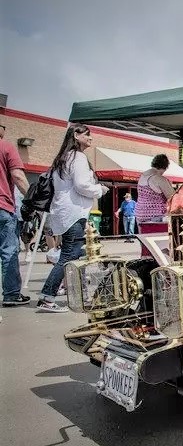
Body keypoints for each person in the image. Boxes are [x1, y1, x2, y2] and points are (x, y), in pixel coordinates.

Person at [37, 124, 108, 312]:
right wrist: (99, 190)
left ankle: (72, 292)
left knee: (73, 254)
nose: (91, 138)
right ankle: (47, 296)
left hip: (64, 212)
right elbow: (82, 185)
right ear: (76, 135)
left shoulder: (63, 158)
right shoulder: (77, 157)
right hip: (73, 213)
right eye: (88, 135)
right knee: (69, 255)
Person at [1, 122, 31, 307]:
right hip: (2, 207)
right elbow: (18, 177)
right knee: (9, 251)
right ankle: (11, 294)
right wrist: (33, 199)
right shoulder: (6, 146)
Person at [134, 154, 175, 228]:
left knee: (145, 239)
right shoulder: (159, 179)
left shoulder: (142, 176)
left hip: (139, 215)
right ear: (165, 167)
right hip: (156, 216)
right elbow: (173, 198)